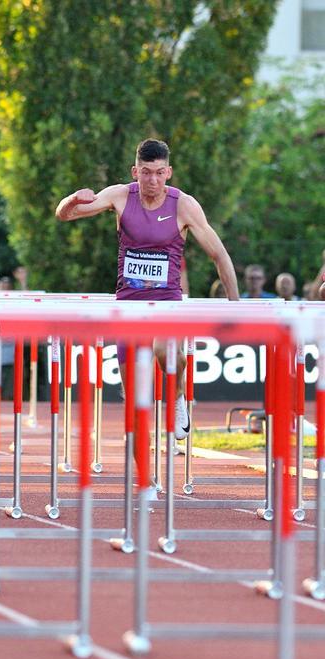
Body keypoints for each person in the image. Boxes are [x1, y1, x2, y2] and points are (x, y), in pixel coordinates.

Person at [55, 138, 240, 441]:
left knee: (164, 348)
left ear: (168, 172)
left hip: (167, 300)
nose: (151, 180)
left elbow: (219, 255)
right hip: (128, 303)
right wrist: (73, 198)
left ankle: (177, 399)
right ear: (135, 171)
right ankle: (138, 444)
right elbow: (65, 215)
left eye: (158, 173)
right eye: (145, 172)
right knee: (133, 387)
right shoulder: (119, 196)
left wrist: (236, 306)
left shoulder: (184, 205)